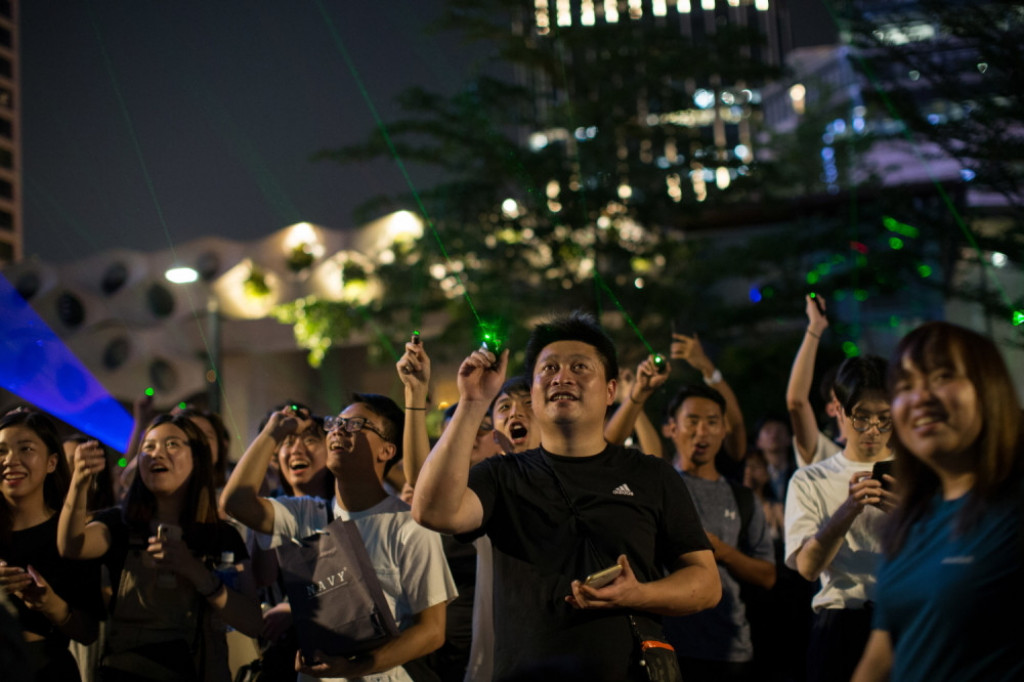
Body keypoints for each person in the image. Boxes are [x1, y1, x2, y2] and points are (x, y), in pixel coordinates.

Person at [413, 311, 720, 681]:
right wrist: (473, 401)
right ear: (535, 390)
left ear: (610, 391)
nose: (561, 377)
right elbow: (432, 512)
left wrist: (638, 594)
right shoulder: (501, 475)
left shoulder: (652, 475)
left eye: (579, 367)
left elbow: (706, 584)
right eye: (549, 369)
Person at [221, 396, 456, 682]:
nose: (338, 430)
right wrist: (274, 430)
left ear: (386, 450)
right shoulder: (306, 514)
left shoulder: (408, 525)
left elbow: (431, 631)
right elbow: (236, 502)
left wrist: (357, 667)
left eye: (356, 425)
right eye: (335, 424)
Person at [853, 322, 1024, 682]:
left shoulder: (1012, 507)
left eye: (942, 376)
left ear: (989, 388)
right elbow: (882, 652)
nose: (920, 397)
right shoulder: (910, 521)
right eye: (905, 386)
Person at [58, 413, 262, 682]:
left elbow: (252, 622)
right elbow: (72, 545)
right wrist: (79, 483)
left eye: (172, 444)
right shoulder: (119, 524)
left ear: (197, 457)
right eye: (148, 447)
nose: (157, 454)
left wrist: (195, 571)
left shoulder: (222, 536)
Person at [784, 355, 897, 682]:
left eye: (884, 419)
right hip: (842, 623)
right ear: (840, 410)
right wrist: (847, 510)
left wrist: (908, 517)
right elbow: (807, 567)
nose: (873, 429)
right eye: (862, 417)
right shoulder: (810, 479)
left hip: (904, 617)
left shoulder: (918, 473)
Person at [661, 385, 775, 682]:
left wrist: (722, 551)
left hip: (729, 649)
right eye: (692, 421)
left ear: (724, 429)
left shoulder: (742, 498)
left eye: (712, 422)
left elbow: (767, 575)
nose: (702, 432)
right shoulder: (657, 488)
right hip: (665, 646)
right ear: (672, 427)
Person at [0, 410, 101, 681]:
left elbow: (88, 632)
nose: (10, 460)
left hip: (46, 668)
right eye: (1, 451)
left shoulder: (70, 535)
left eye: (25, 449)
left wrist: (51, 604)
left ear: (52, 462)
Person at [786, 295, 842, 466]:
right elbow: (797, 402)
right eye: (845, 394)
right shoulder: (825, 451)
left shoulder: (892, 454)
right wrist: (815, 327)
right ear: (832, 409)